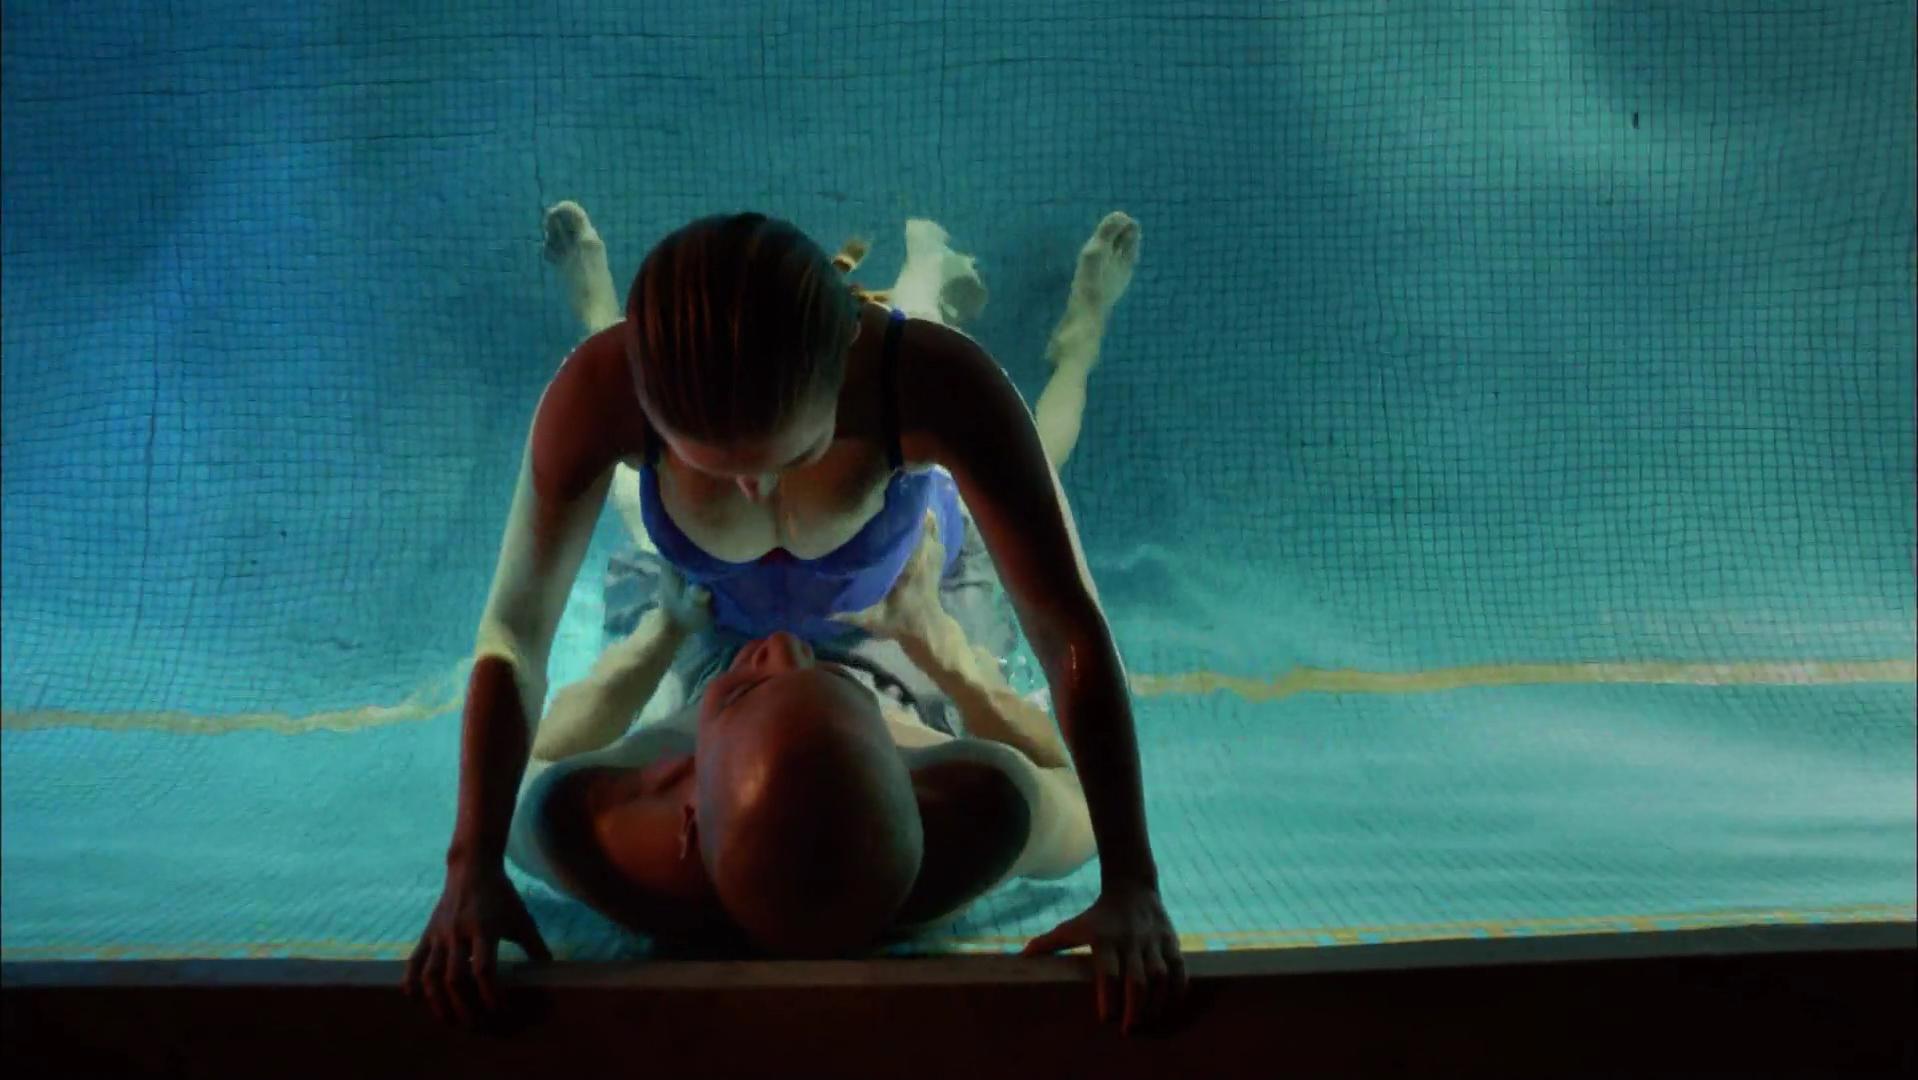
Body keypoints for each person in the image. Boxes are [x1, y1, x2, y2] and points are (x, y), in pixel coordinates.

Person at [406, 202, 1183, 1031]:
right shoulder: (606, 392)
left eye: (799, 454)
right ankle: (1051, 332)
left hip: (845, 579)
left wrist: (473, 862)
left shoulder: (929, 381)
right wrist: (467, 863)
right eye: (716, 469)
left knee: (1023, 453)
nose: (756, 490)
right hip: (846, 600)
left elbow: (1065, 625)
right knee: (647, 484)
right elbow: (514, 635)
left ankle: (1047, 326)